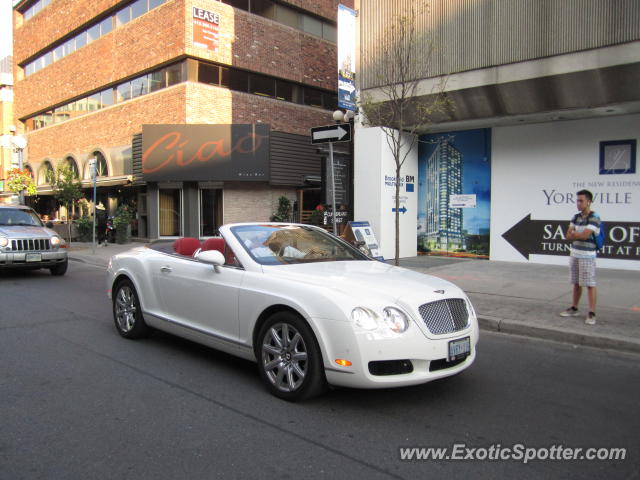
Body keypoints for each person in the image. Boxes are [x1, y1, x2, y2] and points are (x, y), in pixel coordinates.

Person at [559, 189, 601, 325]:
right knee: (576, 283)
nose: (578, 203)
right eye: (577, 200)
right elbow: (567, 236)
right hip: (575, 254)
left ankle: (591, 312)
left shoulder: (595, 217)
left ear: (588, 201)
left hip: (588, 256)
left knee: (589, 284)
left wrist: (576, 233)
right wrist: (577, 233)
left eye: (581, 201)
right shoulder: (575, 217)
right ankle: (574, 308)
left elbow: (584, 236)